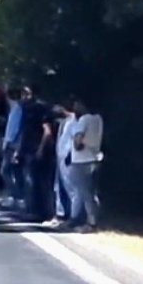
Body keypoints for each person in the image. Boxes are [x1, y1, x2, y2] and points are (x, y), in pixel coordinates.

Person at [14, 84, 54, 222]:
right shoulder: (25, 109)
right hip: (27, 149)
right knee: (30, 181)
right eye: (22, 94)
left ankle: (39, 212)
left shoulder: (40, 108)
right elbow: (24, 132)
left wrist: (41, 149)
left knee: (36, 181)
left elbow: (47, 131)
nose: (24, 97)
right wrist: (18, 150)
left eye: (27, 94)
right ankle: (31, 210)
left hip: (37, 149)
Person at [67, 98, 104, 231]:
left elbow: (78, 140)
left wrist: (78, 144)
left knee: (83, 192)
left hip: (81, 160)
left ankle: (90, 222)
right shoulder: (98, 119)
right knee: (91, 192)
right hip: (94, 158)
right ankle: (88, 218)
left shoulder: (84, 119)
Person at [50, 100, 79, 228]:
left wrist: (70, 155)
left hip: (68, 158)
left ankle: (75, 216)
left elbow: (74, 140)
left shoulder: (74, 121)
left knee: (71, 187)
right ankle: (61, 214)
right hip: (60, 158)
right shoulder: (64, 122)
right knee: (59, 186)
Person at [0, 87, 25, 209]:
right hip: (14, 144)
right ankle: (18, 197)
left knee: (5, 170)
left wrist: (7, 142)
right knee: (15, 171)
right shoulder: (15, 109)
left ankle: (15, 195)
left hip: (12, 145)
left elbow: (13, 129)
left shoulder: (16, 109)